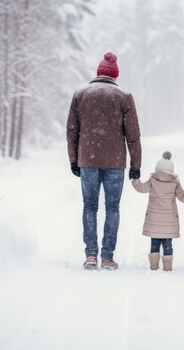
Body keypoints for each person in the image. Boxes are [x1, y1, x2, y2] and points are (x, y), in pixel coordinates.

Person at [66, 52, 142, 270]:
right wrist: (136, 164)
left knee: (89, 206)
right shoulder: (124, 97)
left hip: (87, 160)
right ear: (115, 76)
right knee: (113, 208)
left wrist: (74, 159)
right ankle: (107, 257)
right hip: (115, 163)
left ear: (98, 73)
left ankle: (91, 255)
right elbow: (133, 134)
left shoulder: (81, 95)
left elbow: (72, 130)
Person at [131, 151, 184, 271]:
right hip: (169, 223)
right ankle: (167, 267)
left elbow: (141, 188)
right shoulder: (175, 183)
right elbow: (182, 196)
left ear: (157, 169)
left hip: (154, 222)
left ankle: (154, 266)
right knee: (168, 244)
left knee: (155, 243)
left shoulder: (152, 180)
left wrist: (135, 179)